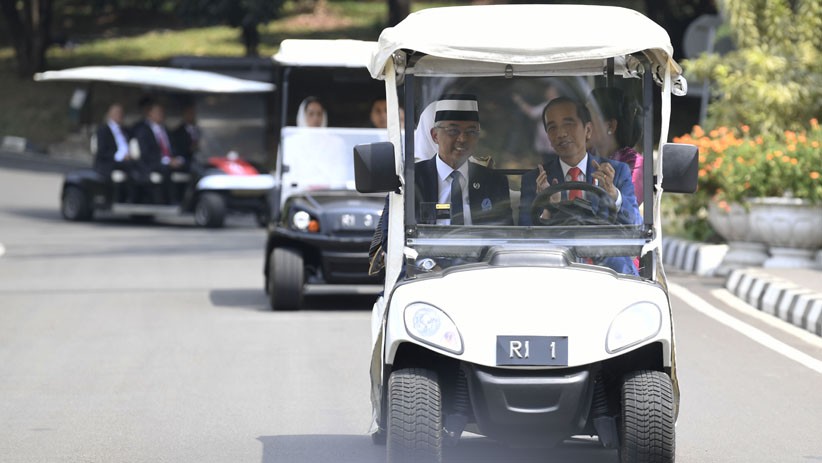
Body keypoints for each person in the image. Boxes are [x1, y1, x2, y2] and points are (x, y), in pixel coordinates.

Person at [518, 97, 640, 274]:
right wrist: (547, 208)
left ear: (588, 130)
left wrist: (614, 195)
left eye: (568, 124)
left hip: (606, 270)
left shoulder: (616, 172)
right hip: (552, 269)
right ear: (548, 138)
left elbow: (635, 226)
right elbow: (524, 240)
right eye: (552, 128)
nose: (561, 133)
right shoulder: (535, 180)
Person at [586, 87, 645, 202]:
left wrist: (612, 192)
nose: (581, 125)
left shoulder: (634, 163)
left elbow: (629, 206)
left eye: (588, 118)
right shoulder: (582, 155)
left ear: (610, 126)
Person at [132, 101, 186, 203]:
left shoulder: (166, 130)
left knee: (189, 165)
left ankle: (189, 199)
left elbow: (173, 148)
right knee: (166, 169)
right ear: (150, 114)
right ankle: (172, 201)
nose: (161, 115)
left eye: (162, 112)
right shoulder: (143, 131)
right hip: (152, 163)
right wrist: (166, 160)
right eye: (158, 112)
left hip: (170, 161)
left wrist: (177, 158)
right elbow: (146, 153)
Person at [511, 81, 561, 159]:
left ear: (553, 91)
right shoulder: (561, 104)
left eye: (548, 91)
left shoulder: (550, 105)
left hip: (550, 146)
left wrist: (519, 101)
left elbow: (532, 113)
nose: (546, 93)